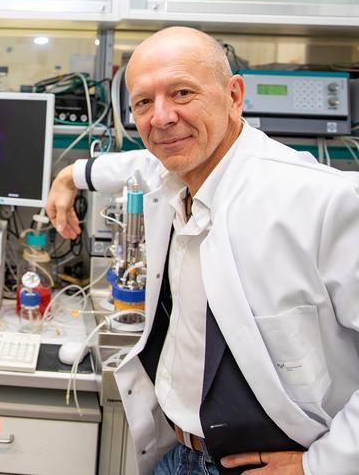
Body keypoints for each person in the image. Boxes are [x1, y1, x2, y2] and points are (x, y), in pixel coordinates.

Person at [47, 26, 359, 475]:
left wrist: (322, 467)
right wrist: (72, 174)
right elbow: (139, 161)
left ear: (234, 95)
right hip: (178, 455)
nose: (162, 117)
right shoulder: (174, 177)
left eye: (182, 92)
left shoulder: (320, 201)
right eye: (143, 103)